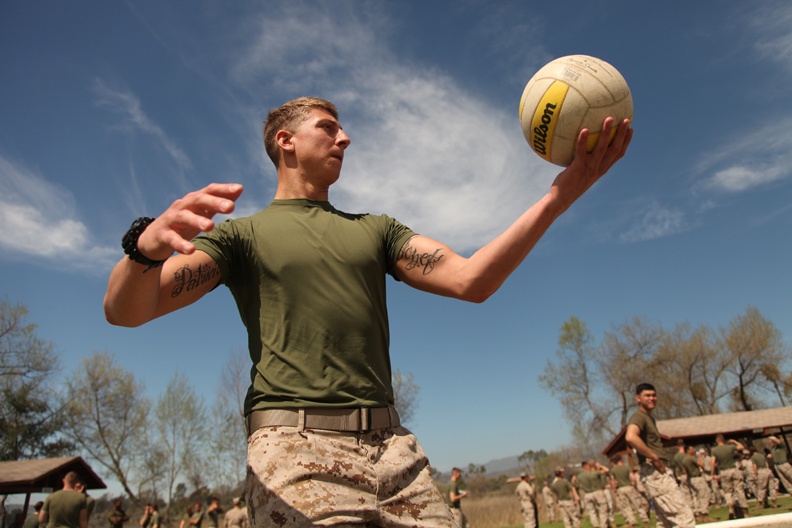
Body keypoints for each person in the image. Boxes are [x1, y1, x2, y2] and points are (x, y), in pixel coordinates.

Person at [104, 96, 632, 527]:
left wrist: (558, 198)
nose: (345, 138)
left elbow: (473, 280)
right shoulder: (242, 237)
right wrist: (143, 251)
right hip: (295, 450)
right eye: (328, 127)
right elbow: (128, 310)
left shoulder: (375, 230)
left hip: (394, 450)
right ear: (284, 140)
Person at [625, 383, 695, 528]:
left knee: (665, 522)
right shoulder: (639, 417)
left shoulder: (649, 418)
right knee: (683, 517)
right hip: (655, 472)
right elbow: (630, 437)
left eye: (654, 395)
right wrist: (653, 456)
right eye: (647, 395)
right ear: (638, 398)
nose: (652, 398)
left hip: (656, 472)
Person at [711, 434, 748, 519]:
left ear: (717, 441)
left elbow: (713, 462)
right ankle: (745, 510)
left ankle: (731, 507)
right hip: (733, 469)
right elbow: (741, 447)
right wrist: (734, 441)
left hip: (724, 471)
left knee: (728, 491)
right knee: (739, 489)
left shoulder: (714, 450)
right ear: (724, 440)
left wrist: (712, 474)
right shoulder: (730, 447)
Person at [609, 456, 650, 528]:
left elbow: (613, 481)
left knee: (626, 507)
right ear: (620, 460)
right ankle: (645, 522)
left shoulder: (613, 470)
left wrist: (615, 490)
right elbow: (633, 478)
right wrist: (634, 486)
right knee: (638, 505)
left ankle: (632, 523)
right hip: (629, 487)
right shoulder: (627, 467)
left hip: (620, 489)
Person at [681, 445, 711, 522]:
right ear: (688, 450)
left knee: (695, 495)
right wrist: (700, 457)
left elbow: (685, 471)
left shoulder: (684, 460)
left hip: (691, 478)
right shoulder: (691, 458)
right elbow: (702, 464)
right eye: (692, 449)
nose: (693, 450)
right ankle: (704, 513)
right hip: (697, 477)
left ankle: (697, 512)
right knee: (704, 494)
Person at [576, 460, 610, 528]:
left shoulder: (579, 476)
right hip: (597, 492)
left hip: (587, 494)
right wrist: (600, 466)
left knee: (592, 512)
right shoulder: (594, 473)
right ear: (587, 466)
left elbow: (579, 485)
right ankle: (604, 525)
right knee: (603, 510)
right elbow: (607, 470)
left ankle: (595, 525)